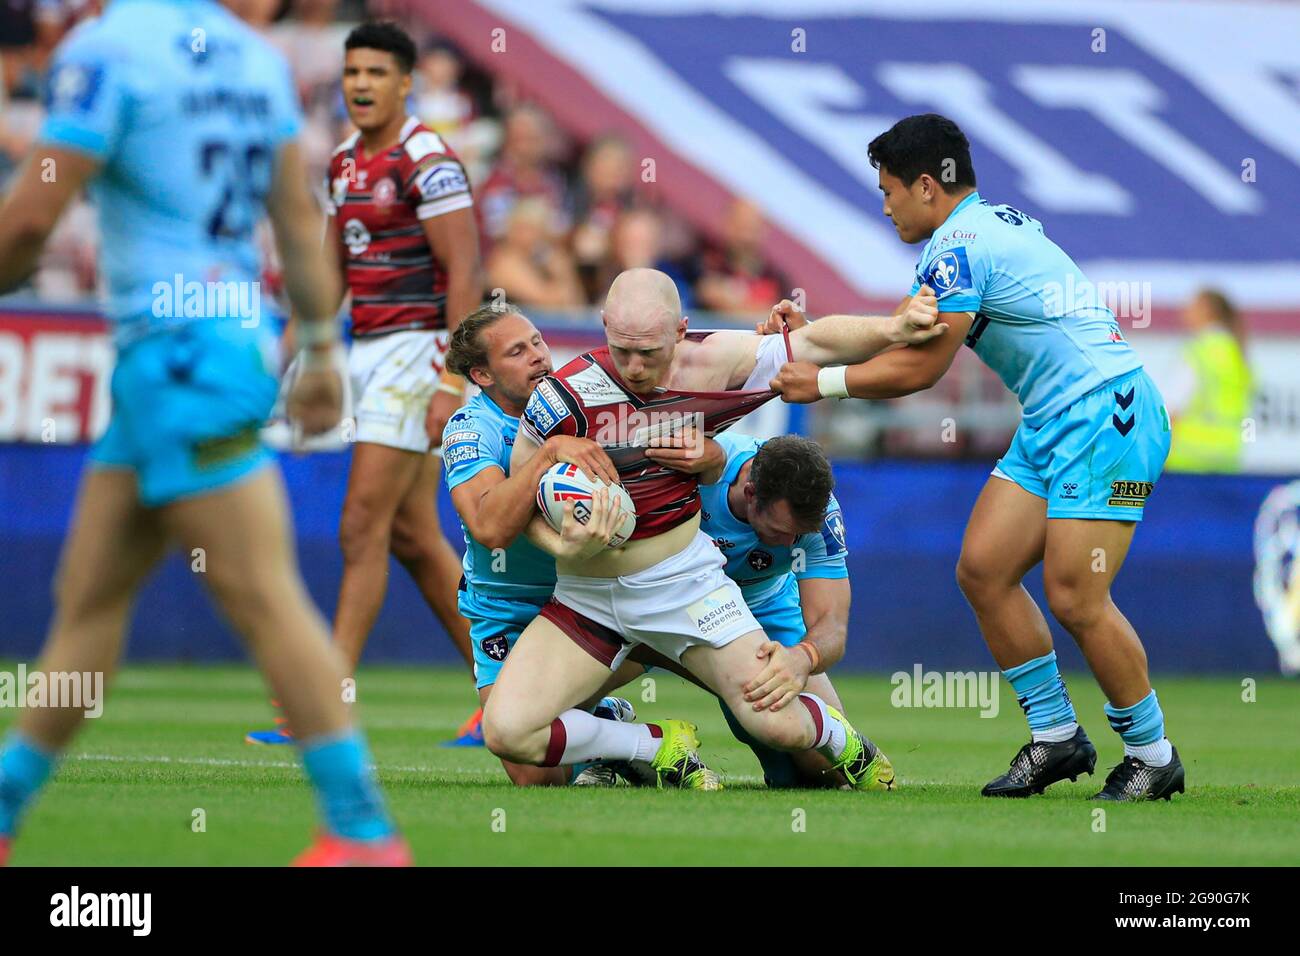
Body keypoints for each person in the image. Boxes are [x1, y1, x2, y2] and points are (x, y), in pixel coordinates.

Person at [0, 0, 407, 865]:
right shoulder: (251, 60)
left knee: (262, 593)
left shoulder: (109, 48)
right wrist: (324, 352)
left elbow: (34, 215)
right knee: (89, 601)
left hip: (179, 359)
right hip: (207, 348)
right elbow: (298, 222)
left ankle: (364, 830)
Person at [769, 113, 1184, 801]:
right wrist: (814, 340)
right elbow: (897, 332)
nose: (885, 204)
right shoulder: (987, 227)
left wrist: (823, 382)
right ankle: (1055, 739)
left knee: (1077, 596)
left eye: (889, 190)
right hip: (1057, 416)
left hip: (1106, 413)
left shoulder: (957, 248)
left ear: (927, 185)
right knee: (985, 570)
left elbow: (918, 369)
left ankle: (1152, 752)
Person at [478, 267, 941, 788]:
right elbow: (516, 509)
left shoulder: (710, 364)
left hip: (685, 586)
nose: (633, 367)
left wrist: (894, 330)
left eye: (649, 353)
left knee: (776, 725)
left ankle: (840, 739)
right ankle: (654, 745)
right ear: (603, 325)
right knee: (508, 731)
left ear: (681, 330)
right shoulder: (559, 399)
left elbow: (814, 341)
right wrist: (563, 540)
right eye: (621, 348)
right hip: (586, 595)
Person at [245, 21, 482, 746]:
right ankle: (507, 690)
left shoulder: (428, 159)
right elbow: (327, 277)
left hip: (418, 354)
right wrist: (294, 356)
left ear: (406, 82)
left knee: (359, 528)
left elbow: (465, 272)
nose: (361, 84)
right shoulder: (345, 162)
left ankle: (322, 704)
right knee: (412, 537)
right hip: (368, 353)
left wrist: (450, 377)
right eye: (353, 72)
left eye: (378, 72)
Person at [440, 303, 675, 785]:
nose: (538, 357)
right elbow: (489, 527)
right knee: (533, 778)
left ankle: (793, 732)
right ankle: (630, 734)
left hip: (588, 598)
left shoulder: (583, 398)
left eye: (537, 342)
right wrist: (548, 453)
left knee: (705, 643)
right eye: (517, 351)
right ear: (482, 374)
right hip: (507, 606)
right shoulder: (470, 428)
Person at [698, 432, 872, 788]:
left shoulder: (819, 518)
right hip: (674, 604)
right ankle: (629, 740)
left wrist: (802, 658)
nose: (791, 545)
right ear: (750, 495)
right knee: (552, 752)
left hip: (764, 607)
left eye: (799, 534)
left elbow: (832, 628)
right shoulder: (699, 469)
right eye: (780, 531)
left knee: (825, 772)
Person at [1165, 288, 1252, 473]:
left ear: (1206, 310)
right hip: (1228, 458)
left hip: (1188, 460)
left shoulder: (1198, 351)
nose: (1185, 313)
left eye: (1192, 307)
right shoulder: (1237, 352)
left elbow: (1172, 408)